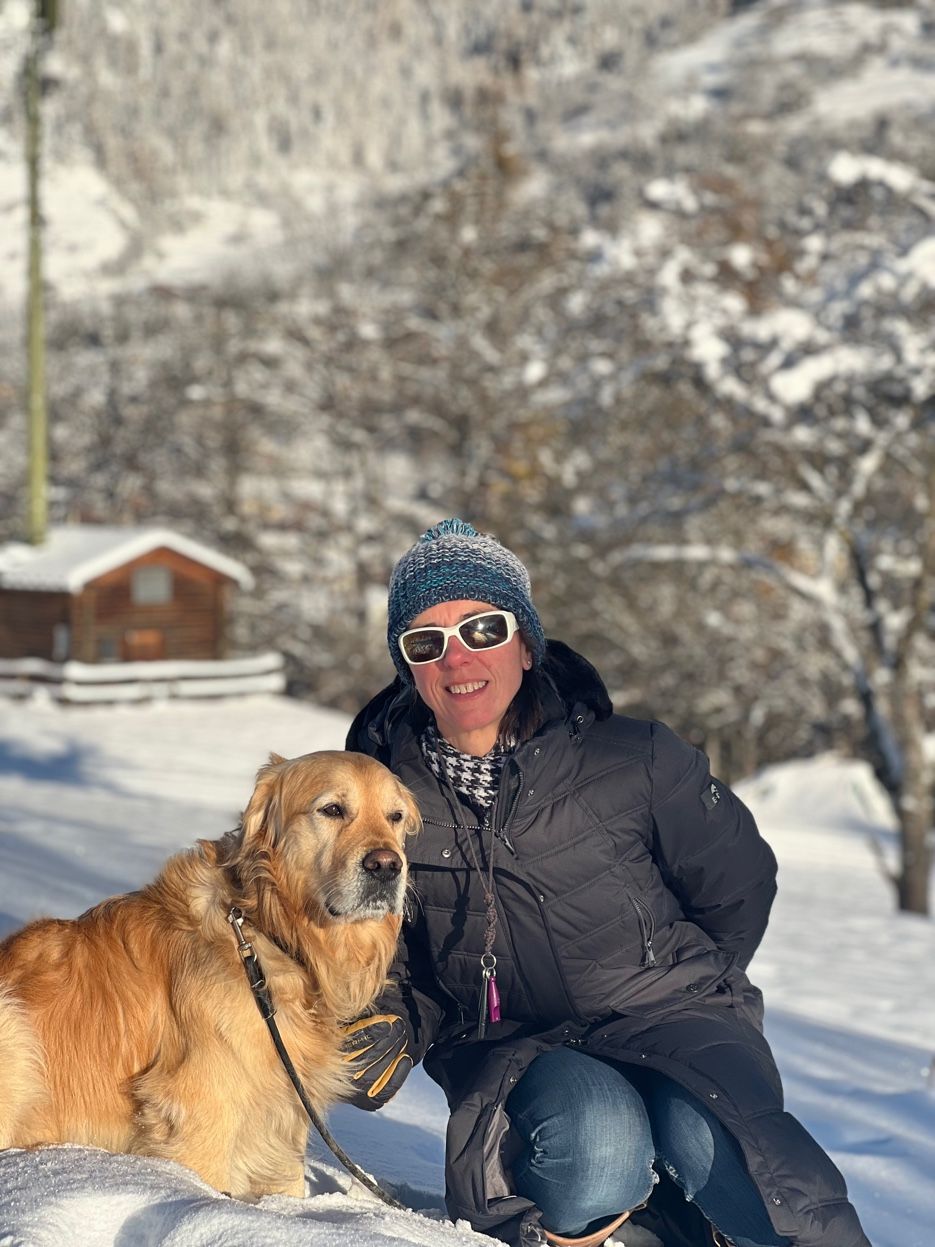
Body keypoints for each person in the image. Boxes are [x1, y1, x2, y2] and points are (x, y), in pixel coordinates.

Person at [343, 518, 871, 1247]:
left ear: (525, 643)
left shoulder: (638, 759)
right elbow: (391, 951)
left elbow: (739, 885)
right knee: (597, 1147)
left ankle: (700, 1219)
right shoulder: (384, 796)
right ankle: (630, 1230)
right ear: (408, 668)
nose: (456, 657)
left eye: (482, 628)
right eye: (425, 642)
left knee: (721, 1150)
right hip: (512, 1041)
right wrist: (393, 1020)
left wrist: (675, 978)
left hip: (671, 1014)